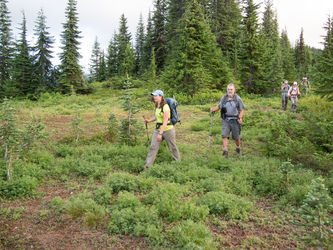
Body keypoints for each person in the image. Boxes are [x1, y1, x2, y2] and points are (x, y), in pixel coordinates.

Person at [143, 90, 181, 168]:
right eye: (153, 96)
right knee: (153, 147)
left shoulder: (166, 106)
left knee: (172, 147)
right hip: (158, 129)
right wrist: (149, 121)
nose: (154, 97)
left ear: (161, 96)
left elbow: (165, 120)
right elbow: (157, 117)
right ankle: (147, 166)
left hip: (168, 130)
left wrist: (160, 133)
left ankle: (178, 163)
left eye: (156, 96)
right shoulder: (157, 105)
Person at [210, 83, 245, 158]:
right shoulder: (224, 98)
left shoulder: (237, 99)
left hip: (235, 119)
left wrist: (240, 117)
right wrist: (214, 110)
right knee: (224, 135)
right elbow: (220, 106)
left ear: (234, 90)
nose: (229, 91)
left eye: (231, 89)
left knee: (236, 136)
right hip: (226, 119)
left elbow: (242, 109)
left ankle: (238, 148)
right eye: (228, 89)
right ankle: (225, 151)